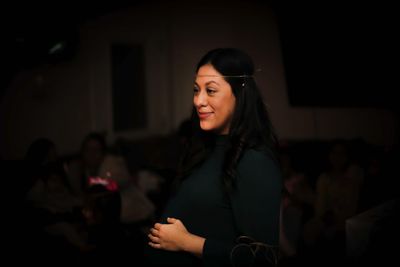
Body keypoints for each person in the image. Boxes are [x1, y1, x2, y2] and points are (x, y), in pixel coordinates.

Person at [145, 48, 282, 266]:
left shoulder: (255, 161)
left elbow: (264, 258)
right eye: (196, 90)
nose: (198, 100)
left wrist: (186, 242)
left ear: (240, 92)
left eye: (210, 90)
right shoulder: (202, 148)